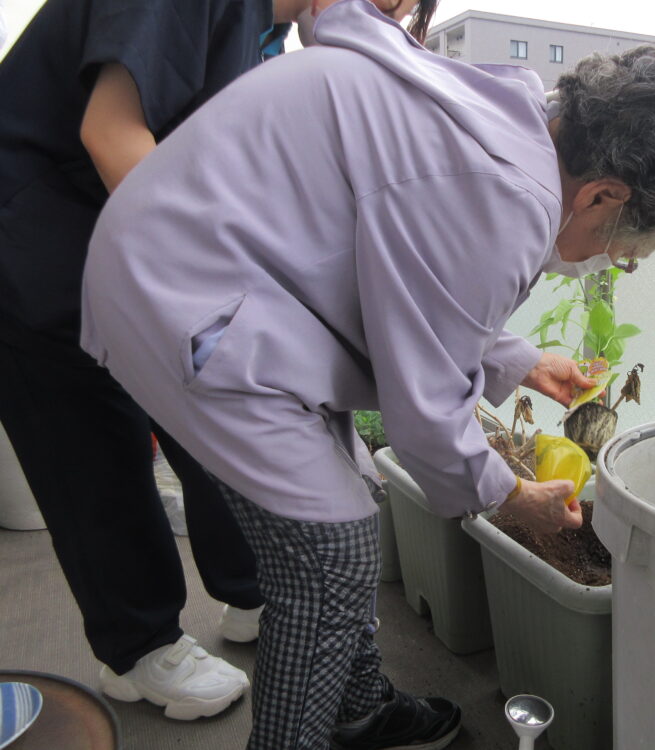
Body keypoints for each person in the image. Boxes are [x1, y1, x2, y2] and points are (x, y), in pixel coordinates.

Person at [80, 0, 655, 747]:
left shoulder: (500, 124)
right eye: (625, 246)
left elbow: (404, 284)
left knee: (353, 494)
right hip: (186, 295)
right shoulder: (506, 195)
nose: (608, 260)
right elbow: (426, 415)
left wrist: (519, 361)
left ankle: (358, 709)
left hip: (235, 281)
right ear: (605, 195)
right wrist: (512, 496)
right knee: (332, 559)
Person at [0, 0, 437, 721]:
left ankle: (253, 592)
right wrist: (231, 291)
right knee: (92, 450)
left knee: (215, 410)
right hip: (38, 239)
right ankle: (139, 649)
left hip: (121, 236)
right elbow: (111, 135)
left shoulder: (262, 37)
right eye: (385, 2)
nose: (380, 19)